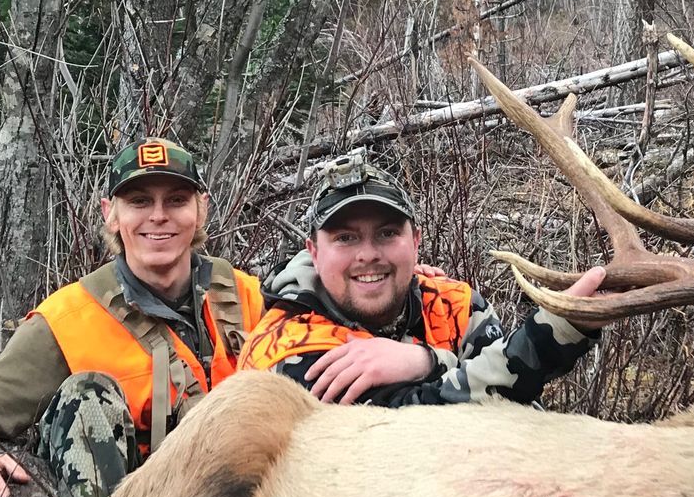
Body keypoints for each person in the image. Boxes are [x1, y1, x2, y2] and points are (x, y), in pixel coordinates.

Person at [0, 137, 265, 497]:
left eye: (176, 200)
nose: (158, 216)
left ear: (200, 210)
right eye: (139, 201)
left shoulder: (247, 296)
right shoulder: (69, 321)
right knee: (86, 395)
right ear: (111, 214)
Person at [238, 159, 605, 406]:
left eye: (386, 234)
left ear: (415, 242)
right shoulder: (285, 349)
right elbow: (418, 431)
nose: (367, 255)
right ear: (314, 253)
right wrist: (555, 330)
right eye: (345, 238)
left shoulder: (454, 305)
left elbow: (516, 409)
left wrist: (424, 361)